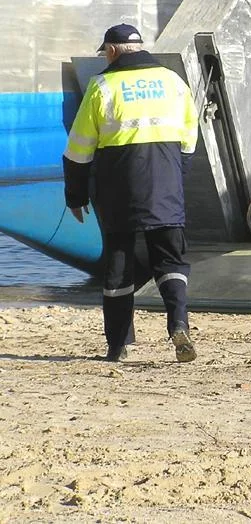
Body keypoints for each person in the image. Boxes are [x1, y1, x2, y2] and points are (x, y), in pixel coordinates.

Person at [63, 23, 199, 363]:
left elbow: (78, 150)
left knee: (119, 266)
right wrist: (175, 180)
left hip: (119, 189)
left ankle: (119, 344)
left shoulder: (102, 86)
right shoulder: (173, 82)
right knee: (170, 259)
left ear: (110, 51)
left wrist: (76, 196)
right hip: (165, 184)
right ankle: (178, 324)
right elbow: (189, 141)